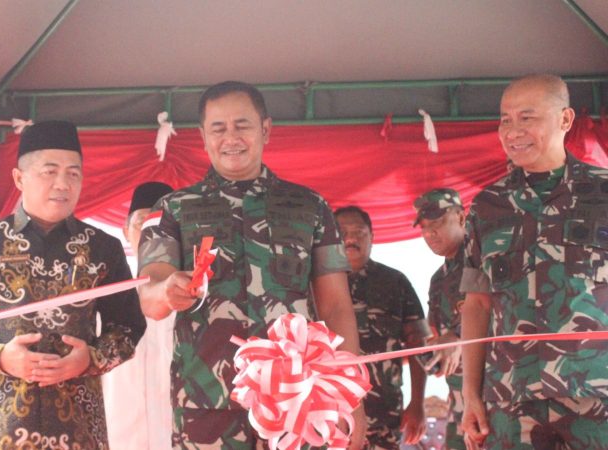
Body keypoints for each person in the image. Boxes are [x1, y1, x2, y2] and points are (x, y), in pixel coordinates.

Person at [137, 81, 364, 450]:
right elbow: (150, 295)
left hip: (296, 402)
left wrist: (348, 398)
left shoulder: (310, 207)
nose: (231, 138)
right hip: (206, 404)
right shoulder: (171, 209)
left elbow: (336, 307)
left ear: (266, 130)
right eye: (218, 128)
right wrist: (167, 291)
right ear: (203, 136)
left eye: (242, 125)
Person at [0, 120, 147, 449]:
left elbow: (128, 327)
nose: (63, 184)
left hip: (78, 425)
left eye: (73, 173)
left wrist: (90, 358)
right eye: (50, 172)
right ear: (19, 178)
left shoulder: (103, 248)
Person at [460, 74, 608, 450]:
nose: (513, 131)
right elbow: (477, 305)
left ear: (565, 119)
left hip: (597, 393)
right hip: (512, 396)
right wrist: (470, 394)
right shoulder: (486, 206)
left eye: (527, 118)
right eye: (505, 120)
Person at [335, 205, 429, 450]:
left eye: (359, 232)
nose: (351, 238)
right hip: (331, 416)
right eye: (342, 232)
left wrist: (418, 403)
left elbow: (418, 344)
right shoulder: (315, 285)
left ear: (372, 236)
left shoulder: (395, 283)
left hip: (384, 415)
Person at [102, 181, 174, 449]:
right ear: (125, 231)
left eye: (161, 224)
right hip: (118, 433)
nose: (151, 233)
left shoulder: (195, 295)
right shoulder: (106, 293)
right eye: (143, 222)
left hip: (179, 434)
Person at [414, 188, 467, 450]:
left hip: (500, 396)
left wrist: (458, 337)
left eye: (437, 223)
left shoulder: (487, 262)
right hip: (459, 402)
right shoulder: (438, 279)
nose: (429, 233)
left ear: (461, 217)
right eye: (424, 227)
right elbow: (435, 335)